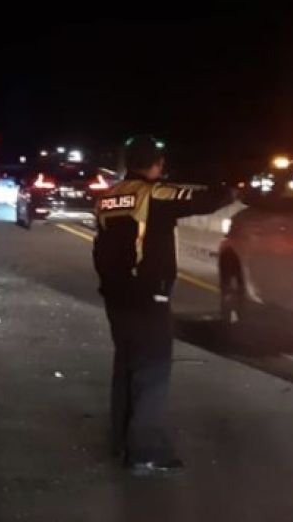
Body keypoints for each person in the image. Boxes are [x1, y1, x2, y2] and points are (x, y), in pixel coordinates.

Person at [92, 135, 231, 476]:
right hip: (148, 296)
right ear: (157, 163)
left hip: (115, 295)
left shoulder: (108, 196)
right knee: (152, 371)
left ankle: (122, 442)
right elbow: (210, 199)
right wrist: (224, 180)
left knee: (125, 366)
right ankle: (146, 452)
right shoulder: (154, 193)